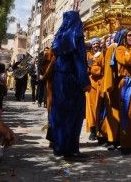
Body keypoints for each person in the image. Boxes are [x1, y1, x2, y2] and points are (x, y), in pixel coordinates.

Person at [49, 11, 91, 158]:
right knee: (74, 113)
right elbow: (79, 61)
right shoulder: (76, 37)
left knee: (59, 112)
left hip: (59, 79)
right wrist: (85, 82)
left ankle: (58, 145)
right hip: (72, 80)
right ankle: (70, 148)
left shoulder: (59, 37)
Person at [85, 38, 104, 141]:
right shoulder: (89, 56)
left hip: (100, 83)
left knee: (100, 106)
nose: (96, 46)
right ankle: (92, 130)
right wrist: (91, 68)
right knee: (91, 108)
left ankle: (100, 130)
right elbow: (87, 68)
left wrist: (95, 69)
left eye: (97, 44)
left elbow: (103, 68)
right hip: (91, 84)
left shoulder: (102, 55)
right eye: (94, 44)